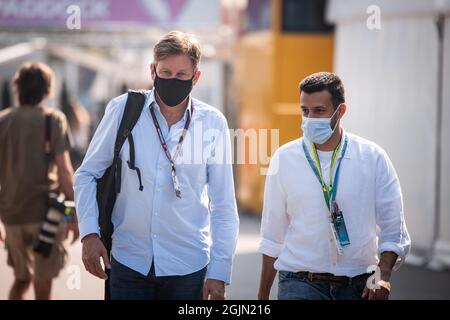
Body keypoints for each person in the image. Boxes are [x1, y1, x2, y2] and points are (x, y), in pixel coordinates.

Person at [74, 31, 239, 300]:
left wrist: (220, 271)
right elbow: (87, 175)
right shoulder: (123, 110)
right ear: (153, 71)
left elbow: (223, 205)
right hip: (128, 262)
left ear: (196, 77)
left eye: (181, 75)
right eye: (165, 72)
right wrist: (89, 235)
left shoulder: (213, 123)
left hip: (189, 267)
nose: (172, 81)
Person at [257, 72, 411, 300]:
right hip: (298, 282)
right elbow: (272, 236)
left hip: (359, 284)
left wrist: (383, 274)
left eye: (319, 111)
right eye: (304, 111)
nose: (309, 119)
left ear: (341, 111)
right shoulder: (284, 158)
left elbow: (394, 228)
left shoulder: (372, 158)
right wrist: (262, 295)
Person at [0, 62, 79, 300]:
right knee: (42, 287)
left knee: (21, 280)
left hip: (12, 216)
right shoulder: (52, 120)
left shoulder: (3, 121)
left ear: (18, 88)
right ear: (47, 90)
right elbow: (65, 173)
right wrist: (73, 217)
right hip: (45, 217)